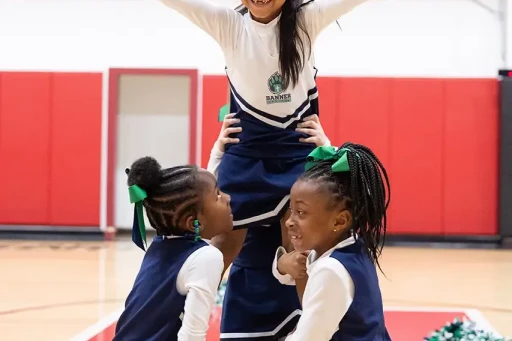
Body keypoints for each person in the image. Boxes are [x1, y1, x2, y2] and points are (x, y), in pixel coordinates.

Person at [159, 0, 369, 338]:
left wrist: (322, 141)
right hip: (245, 155)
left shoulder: (306, 21)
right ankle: (187, 333)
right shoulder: (229, 25)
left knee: (301, 255)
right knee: (214, 255)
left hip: (295, 155)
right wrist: (219, 151)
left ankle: (309, 330)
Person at [272, 142, 392, 341]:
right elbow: (296, 270)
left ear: (340, 220)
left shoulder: (331, 269)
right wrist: (282, 265)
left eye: (301, 212)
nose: (290, 221)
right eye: (291, 210)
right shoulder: (352, 246)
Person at [113, 156, 233, 341]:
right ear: (193, 222)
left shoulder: (162, 243)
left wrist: (218, 152)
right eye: (217, 195)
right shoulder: (206, 257)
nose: (227, 198)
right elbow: (192, 336)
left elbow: (201, 190)